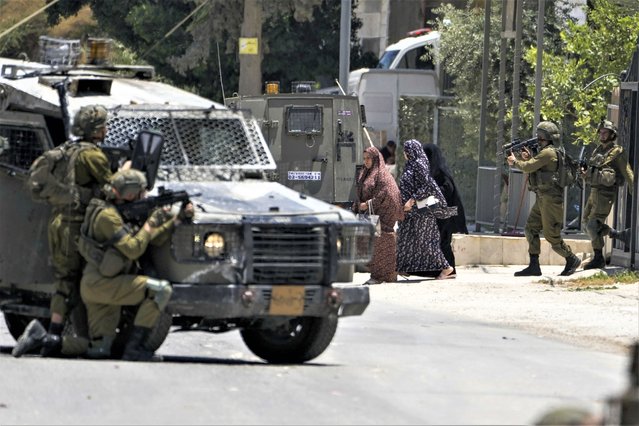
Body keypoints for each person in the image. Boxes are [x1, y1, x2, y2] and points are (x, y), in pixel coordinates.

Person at [12, 105, 114, 358]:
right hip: (75, 225)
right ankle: (55, 335)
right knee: (74, 281)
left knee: (65, 280)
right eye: (103, 126)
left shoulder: (65, 150)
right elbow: (112, 189)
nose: (106, 129)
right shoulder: (93, 156)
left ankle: (60, 334)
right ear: (96, 130)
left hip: (59, 222)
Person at [79, 169, 192, 361]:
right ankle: (134, 349)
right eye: (141, 192)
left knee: (99, 349)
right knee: (160, 291)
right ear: (130, 194)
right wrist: (152, 221)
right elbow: (133, 249)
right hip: (101, 284)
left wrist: (176, 220)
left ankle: (45, 339)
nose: (145, 196)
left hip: (104, 283)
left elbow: (150, 240)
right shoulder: (107, 216)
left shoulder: (120, 213)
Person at [506, 121, 581, 277]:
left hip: (551, 200)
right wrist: (527, 157)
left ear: (549, 138)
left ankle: (571, 259)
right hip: (542, 198)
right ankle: (534, 265)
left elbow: (528, 167)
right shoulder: (545, 152)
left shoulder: (549, 153)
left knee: (551, 236)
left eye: (541, 138)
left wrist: (515, 161)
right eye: (538, 138)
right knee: (530, 228)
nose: (538, 141)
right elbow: (534, 165)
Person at [396, 139, 455, 280]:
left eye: (406, 149)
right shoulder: (410, 164)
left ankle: (446, 268)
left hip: (421, 210)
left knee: (426, 240)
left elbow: (427, 186)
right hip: (409, 211)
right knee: (405, 238)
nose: (404, 153)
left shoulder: (419, 164)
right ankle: (403, 267)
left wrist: (411, 200)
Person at [581, 119, 634, 269]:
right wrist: (585, 174)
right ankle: (618, 234)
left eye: (606, 132)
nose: (602, 134)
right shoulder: (597, 150)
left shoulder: (617, 152)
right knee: (586, 224)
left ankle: (598, 258)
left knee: (592, 226)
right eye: (601, 132)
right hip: (594, 191)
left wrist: (634, 189)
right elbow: (593, 171)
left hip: (605, 195)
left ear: (612, 134)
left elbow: (627, 171)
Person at [353, 146, 404, 284]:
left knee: (382, 243)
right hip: (371, 215)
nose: (366, 161)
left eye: (368, 158)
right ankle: (377, 275)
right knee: (370, 244)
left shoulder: (382, 174)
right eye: (364, 159)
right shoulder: (366, 173)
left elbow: (386, 193)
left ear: (375, 158)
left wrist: (368, 204)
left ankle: (385, 276)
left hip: (383, 214)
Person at [423, 143, 468, 278]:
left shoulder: (441, 173)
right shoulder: (434, 172)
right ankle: (445, 269)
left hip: (446, 214)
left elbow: (446, 191)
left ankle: (449, 269)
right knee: (442, 241)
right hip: (442, 213)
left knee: (443, 241)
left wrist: (429, 197)